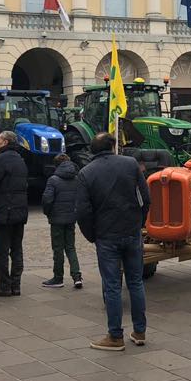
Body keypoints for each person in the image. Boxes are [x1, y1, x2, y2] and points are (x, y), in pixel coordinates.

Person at [76, 132, 151, 351]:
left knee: (112, 286)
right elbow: (145, 198)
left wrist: (92, 234)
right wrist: (139, 222)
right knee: (136, 282)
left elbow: (82, 211)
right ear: (113, 145)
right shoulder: (130, 164)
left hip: (106, 235)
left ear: (93, 149)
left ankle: (115, 336)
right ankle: (140, 330)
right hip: (131, 231)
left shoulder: (86, 173)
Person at [0, 130, 29, 297]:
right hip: (20, 210)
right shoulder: (20, 159)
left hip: (6, 210)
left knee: (1, 252)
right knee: (16, 249)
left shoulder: (1, 159)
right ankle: (15, 285)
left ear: (4, 142)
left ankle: (4, 285)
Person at [42, 153, 83, 289]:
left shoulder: (53, 180)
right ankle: (77, 276)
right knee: (71, 247)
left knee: (58, 249)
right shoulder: (76, 178)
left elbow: (47, 200)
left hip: (57, 218)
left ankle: (58, 277)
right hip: (71, 217)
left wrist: (48, 213)